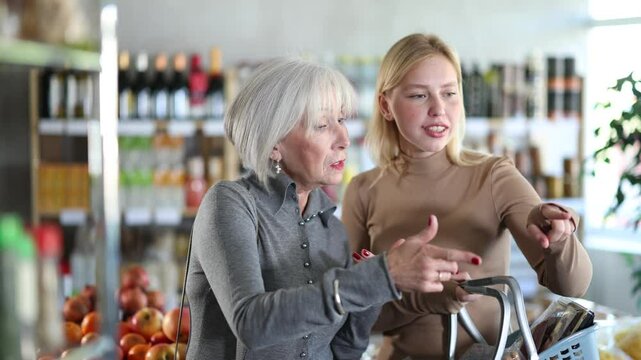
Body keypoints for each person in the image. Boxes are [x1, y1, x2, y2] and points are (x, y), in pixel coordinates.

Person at [184, 57, 482, 360]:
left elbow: (345, 350)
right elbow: (252, 323)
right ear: (275, 144)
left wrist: (373, 293)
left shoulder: (331, 228)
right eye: (323, 125)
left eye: (341, 120)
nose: (343, 139)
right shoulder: (230, 204)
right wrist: (380, 276)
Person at [342, 33, 593, 359]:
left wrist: (560, 240)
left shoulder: (494, 175)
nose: (438, 109)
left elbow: (573, 286)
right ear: (385, 105)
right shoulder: (363, 190)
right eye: (419, 96)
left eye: (449, 93)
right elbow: (349, 314)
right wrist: (420, 299)